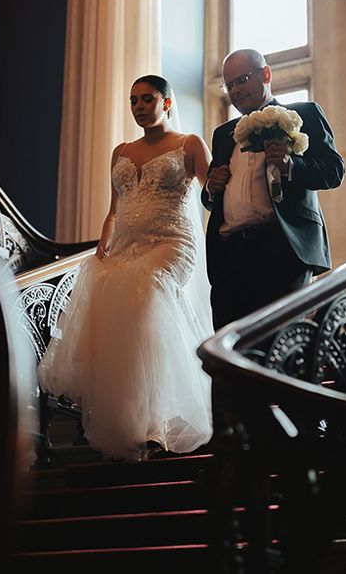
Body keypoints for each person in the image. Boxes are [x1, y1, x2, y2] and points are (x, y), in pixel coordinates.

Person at [38, 75, 214, 461]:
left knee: (146, 293)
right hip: (125, 244)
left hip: (172, 242)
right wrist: (104, 239)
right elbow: (114, 210)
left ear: (166, 103)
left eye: (147, 99)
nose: (138, 107)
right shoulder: (121, 151)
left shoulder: (189, 145)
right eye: (133, 100)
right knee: (112, 304)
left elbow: (214, 193)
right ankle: (133, 424)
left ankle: (160, 420)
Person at [203, 48, 345, 330]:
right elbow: (210, 200)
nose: (236, 90)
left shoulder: (304, 114)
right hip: (230, 256)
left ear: (265, 74)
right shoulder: (222, 135)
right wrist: (210, 188)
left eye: (242, 80)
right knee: (229, 349)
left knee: (278, 344)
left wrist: (291, 164)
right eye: (229, 85)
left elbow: (334, 171)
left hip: (283, 249)